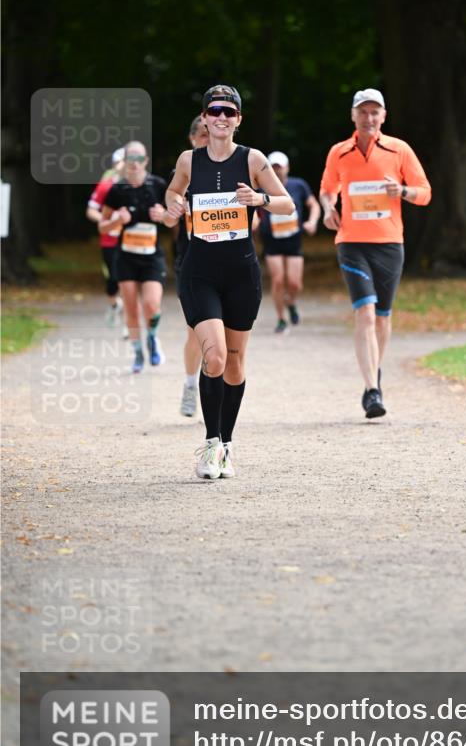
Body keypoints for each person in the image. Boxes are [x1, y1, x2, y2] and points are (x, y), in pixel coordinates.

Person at [164, 85, 295, 480]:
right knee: (216, 357)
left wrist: (260, 200)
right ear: (204, 117)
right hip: (199, 271)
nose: (221, 117)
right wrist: (174, 202)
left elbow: (286, 202)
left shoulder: (252, 159)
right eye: (214, 111)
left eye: (229, 112)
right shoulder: (189, 159)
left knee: (235, 363)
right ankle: (210, 443)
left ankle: (227, 444)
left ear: (238, 119)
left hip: (241, 273)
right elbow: (173, 190)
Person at [320, 88, 432, 419]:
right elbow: (328, 189)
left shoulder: (399, 150)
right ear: (353, 116)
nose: (369, 118)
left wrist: (403, 191)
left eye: (375, 112)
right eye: (363, 112)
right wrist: (328, 208)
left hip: (389, 243)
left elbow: (424, 193)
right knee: (365, 313)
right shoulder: (339, 153)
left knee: (382, 317)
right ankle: (372, 390)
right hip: (352, 243)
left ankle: (374, 371)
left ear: (383, 116)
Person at [98, 141, 169, 373]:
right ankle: (138, 352)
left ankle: (152, 338)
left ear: (146, 161)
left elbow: (175, 218)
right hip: (126, 257)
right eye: (131, 159)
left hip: (151, 256)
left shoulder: (158, 185)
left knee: (151, 305)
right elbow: (103, 227)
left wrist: (164, 215)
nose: (135, 164)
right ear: (125, 161)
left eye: (139, 159)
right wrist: (117, 221)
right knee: (131, 308)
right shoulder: (117, 190)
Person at [256, 150, 320, 333]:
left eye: (280, 168)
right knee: (277, 281)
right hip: (272, 241)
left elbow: (313, 204)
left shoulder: (298, 185)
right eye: (273, 168)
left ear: (287, 168)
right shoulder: (261, 188)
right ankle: (281, 318)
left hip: (293, 240)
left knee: (294, 283)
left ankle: (291, 302)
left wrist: (312, 222)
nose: (277, 171)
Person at [173, 116, 208, 417]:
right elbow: (167, 217)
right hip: (191, 261)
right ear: (191, 139)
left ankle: (213, 385)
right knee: (196, 332)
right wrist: (174, 209)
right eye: (201, 134)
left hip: (229, 260)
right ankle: (189, 384)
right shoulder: (183, 173)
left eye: (211, 134)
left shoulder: (234, 168)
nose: (207, 139)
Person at [86, 147, 126, 330]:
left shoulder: (140, 186)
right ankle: (114, 305)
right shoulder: (106, 186)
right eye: (122, 161)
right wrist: (106, 221)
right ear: (115, 165)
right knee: (113, 280)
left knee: (129, 280)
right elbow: (91, 210)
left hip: (131, 241)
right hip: (109, 241)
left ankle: (128, 323)